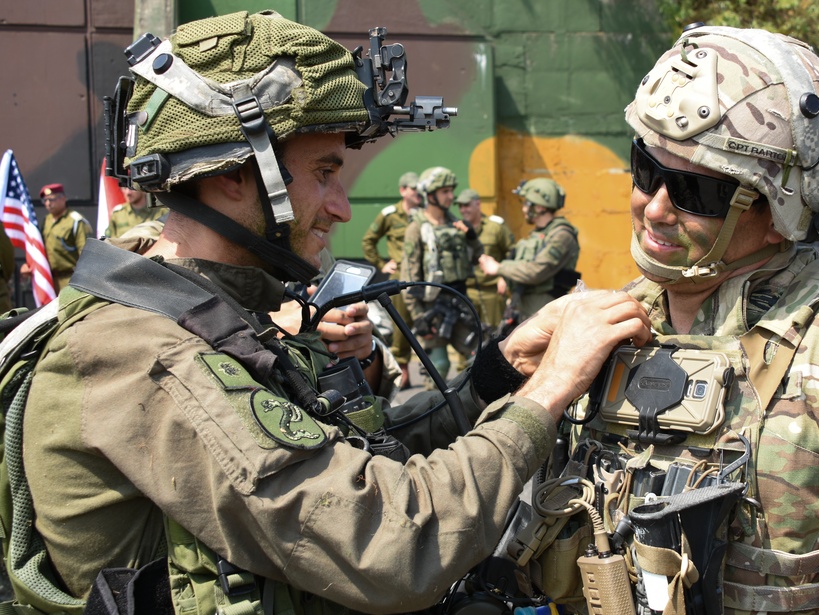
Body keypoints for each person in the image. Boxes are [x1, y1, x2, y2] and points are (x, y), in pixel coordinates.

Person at [10, 11, 652, 614]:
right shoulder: (143, 354)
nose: (342, 206)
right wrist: (548, 391)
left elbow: (351, 464)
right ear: (234, 175)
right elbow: (395, 541)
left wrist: (501, 371)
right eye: (323, 172)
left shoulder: (216, 315)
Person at [493, 25, 819, 614]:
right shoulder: (609, 324)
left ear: (783, 205)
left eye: (695, 190)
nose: (653, 207)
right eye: (646, 169)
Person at [400, 166, 482, 387]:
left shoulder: (457, 226)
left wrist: (472, 237)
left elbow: (477, 258)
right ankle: (432, 413)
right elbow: (409, 277)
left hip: (460, 303)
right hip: (433, 309)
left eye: (451, 190)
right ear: (431, 194)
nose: (451, 196)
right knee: (438, 365)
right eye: (445, 191)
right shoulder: (417, 228)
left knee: (478, 358)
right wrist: (418, 317)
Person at [479, 177, 580, 323]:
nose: (524, 209)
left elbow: (536, 271)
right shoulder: (540, 234)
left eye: (526, 203)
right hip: (526, 309)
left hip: (544, 313)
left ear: (539, 207)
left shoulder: (562, 236)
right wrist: (506, 277)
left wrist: (500, 268)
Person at [361, 171, 423, 388]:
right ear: (403, 191)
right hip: (401, 278)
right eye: (414, 189)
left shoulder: (424, 214)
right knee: (402, 324)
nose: (418, 193)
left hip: (423, 276)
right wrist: (382, 264)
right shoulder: (389, 215)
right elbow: (368, 241)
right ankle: (403, 367)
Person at [457, 188, 515, 336]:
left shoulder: (495, 227)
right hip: (466, 292)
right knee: (467, 339)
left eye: (467, 205)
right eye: (460, 206)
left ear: (478, 204)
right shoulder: (457, 230)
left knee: (494, 337)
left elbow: (512, 252)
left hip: (491, 292)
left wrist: (504, 277)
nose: (463, 210)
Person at [20, 183, 93, 293]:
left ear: (63, 198)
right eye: (45, 201)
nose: (48, 204)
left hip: (70, 279)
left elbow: (87, 256)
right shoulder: (46, 221)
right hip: (49, 281)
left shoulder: (75, 221)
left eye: (52, 199)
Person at [104, 185, 169, 238]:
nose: (128, 193)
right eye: (124, 188)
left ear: (143, 189)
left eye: (132, 188)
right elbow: (110, 241)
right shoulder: (118, 214)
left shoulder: (161, 213)